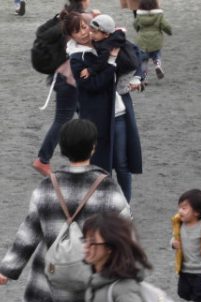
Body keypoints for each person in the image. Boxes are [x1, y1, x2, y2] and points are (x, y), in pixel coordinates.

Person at [0, 119, 130, 302]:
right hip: (98, 279)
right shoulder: (108, 188)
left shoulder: (46, 186)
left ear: (62, 149)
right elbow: (127, 233)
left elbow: (29, 231)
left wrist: (7, 269)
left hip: (59, 277)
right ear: (93, 148)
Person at [65, 11, 142, 203]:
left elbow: (137, 55)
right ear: (71, 36)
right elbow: (94, 85)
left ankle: (125, 207)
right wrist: (110, 62)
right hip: (96, 118)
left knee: (122, 164)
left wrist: (138, 77)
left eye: (85, 27)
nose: (83, 33)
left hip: (119, 112)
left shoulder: (108, 39)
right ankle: (106, 207)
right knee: (102, 168)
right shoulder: (76, 58)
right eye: (77, 31)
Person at [32, 0, 96, 177]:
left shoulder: (64, 15)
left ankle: (86, 154)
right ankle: (43, 159)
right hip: (70, 78)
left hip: (61, 75)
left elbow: (41, 33)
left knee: (85, 114)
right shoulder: (83, 19)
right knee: (63, 119)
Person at [82, 14, 142, 94]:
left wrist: (90, 70)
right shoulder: (112, 37)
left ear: (106, 34)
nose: (91, 34)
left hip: (127, 68)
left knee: (120, 91)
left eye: (95, 32)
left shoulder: (106, 47)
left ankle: (134, 86)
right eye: (91, 31)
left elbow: (101, 62)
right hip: (127, 62)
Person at [133, 0, 172, 81]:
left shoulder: (139, 16)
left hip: (142, 41)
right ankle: (157, 65)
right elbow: (166, 26)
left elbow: (135, 25)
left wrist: (138, 30)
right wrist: (169, 32)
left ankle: (143, 77)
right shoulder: (159, 15)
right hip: (156, 41)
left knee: (143, 61)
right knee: (156, 55)